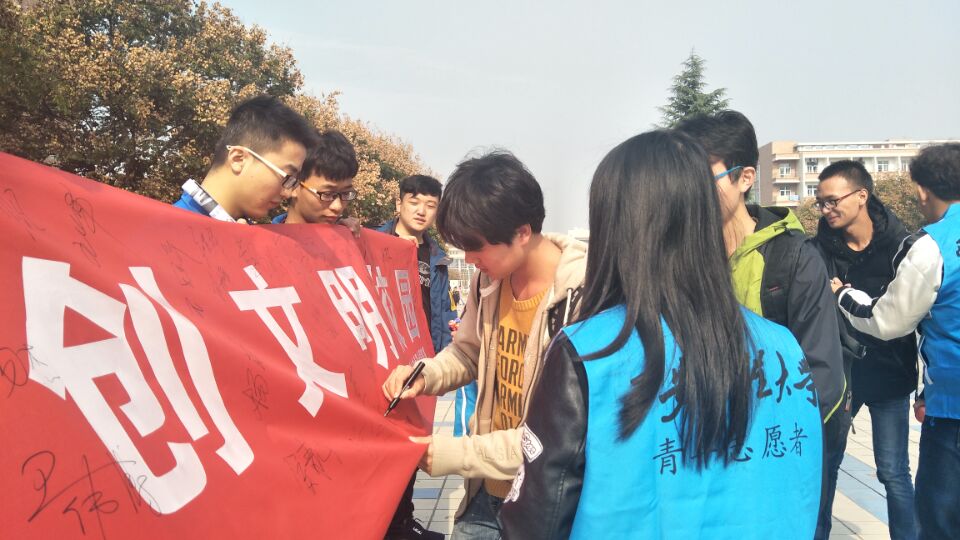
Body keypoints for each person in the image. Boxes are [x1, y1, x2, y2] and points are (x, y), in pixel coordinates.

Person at [498, 129, 822, 539]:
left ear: (616, 229)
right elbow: (805, 486)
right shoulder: (784, 348)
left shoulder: (589, 352)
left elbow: (536, 520)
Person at [381, 151, 587, 539]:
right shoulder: (488, 281)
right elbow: (468, 351)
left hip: (543, 497)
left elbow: (558, 437)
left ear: (522, 232)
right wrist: (424, 375)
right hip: (486, 490)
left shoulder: (581, 296)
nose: (470, 260)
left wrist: (451, 454)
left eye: (476, 247)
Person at [676, 111, 846, 539]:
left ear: (745, 178)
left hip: (775, 452)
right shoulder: (681, 257)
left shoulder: (794, 258)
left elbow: (821, 376)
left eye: (703, 176)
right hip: (705, 453)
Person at [832, 143, 960, 539]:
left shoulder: (931, 246)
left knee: (940, 519)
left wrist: (842, 294)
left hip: (953, 407)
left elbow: (887, 320)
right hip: (931, 394)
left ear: (922, 190)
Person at [812, 160, 918, 540]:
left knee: (893, 471)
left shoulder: (902, 247)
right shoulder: (818, 250)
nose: (826, 209)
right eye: (821, 203)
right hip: (842, 375)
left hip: (891, 373)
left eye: (832, 200)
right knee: (826, 466)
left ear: (861, 195)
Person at [376, 174, 452, 540]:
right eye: (414, 201)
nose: (422, 211)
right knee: (382, 450)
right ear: (399, 204)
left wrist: (444, 357)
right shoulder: (370, 241)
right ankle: (384, 525)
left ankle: (405, 523)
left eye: (431, 205)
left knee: (412, 446)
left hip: (420, 365)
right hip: (381, 364)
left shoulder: (436, 257)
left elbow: (442, 311)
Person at [172, 95, 317, 221]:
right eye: (287, 177)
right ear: (238, 159)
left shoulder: (245, 234)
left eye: (293, 182)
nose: (288, 193)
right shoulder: (170, 231)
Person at [271, 129, 359, 226]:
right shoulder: (265, 235)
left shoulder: (347, 233)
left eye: (346, 193)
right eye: (327, 194)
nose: (337, 207)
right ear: (293, 184)